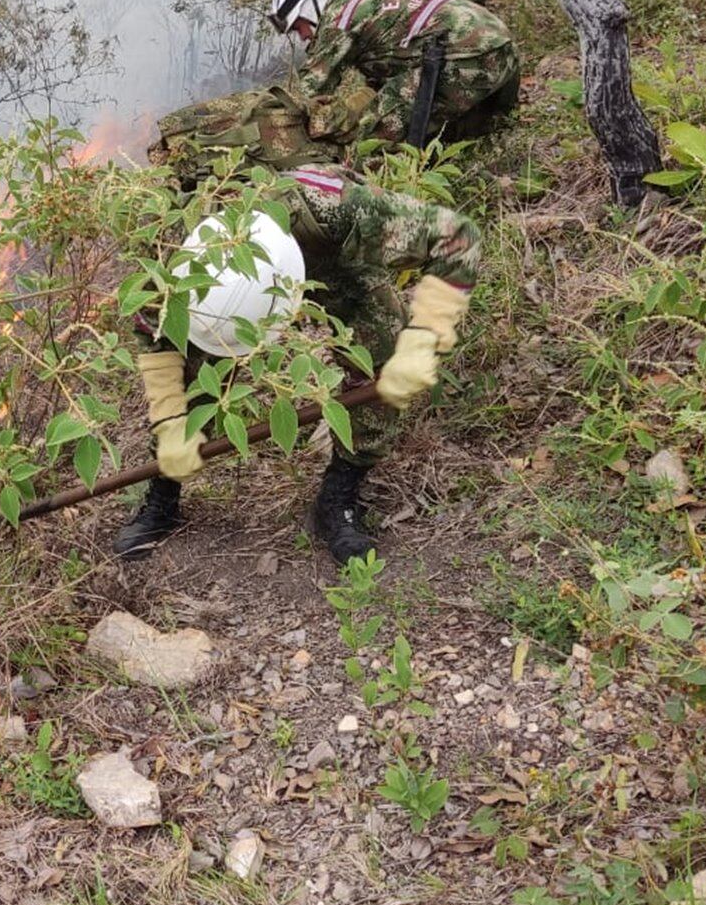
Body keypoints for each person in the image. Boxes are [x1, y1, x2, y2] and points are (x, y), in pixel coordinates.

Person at [115, 94, 481, 564]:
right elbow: (153, 332)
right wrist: (170, 424)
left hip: (324, 248)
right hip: (235, 253)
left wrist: (424, 340)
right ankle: (162, 497)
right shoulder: (179, 247)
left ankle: (338, 498)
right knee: (188, 375)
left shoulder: (339, 209)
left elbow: (459, 235)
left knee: (382, 352)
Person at [269, 0, 519, 148]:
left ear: (308, 8)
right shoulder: (359, 0)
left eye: (298, 27)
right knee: (468, 132)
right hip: (503, 51)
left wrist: (257, 116)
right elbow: (389, 68)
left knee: (372, 137)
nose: (302, 37)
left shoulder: (338, 20)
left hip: (474, 58)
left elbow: (303, 92)